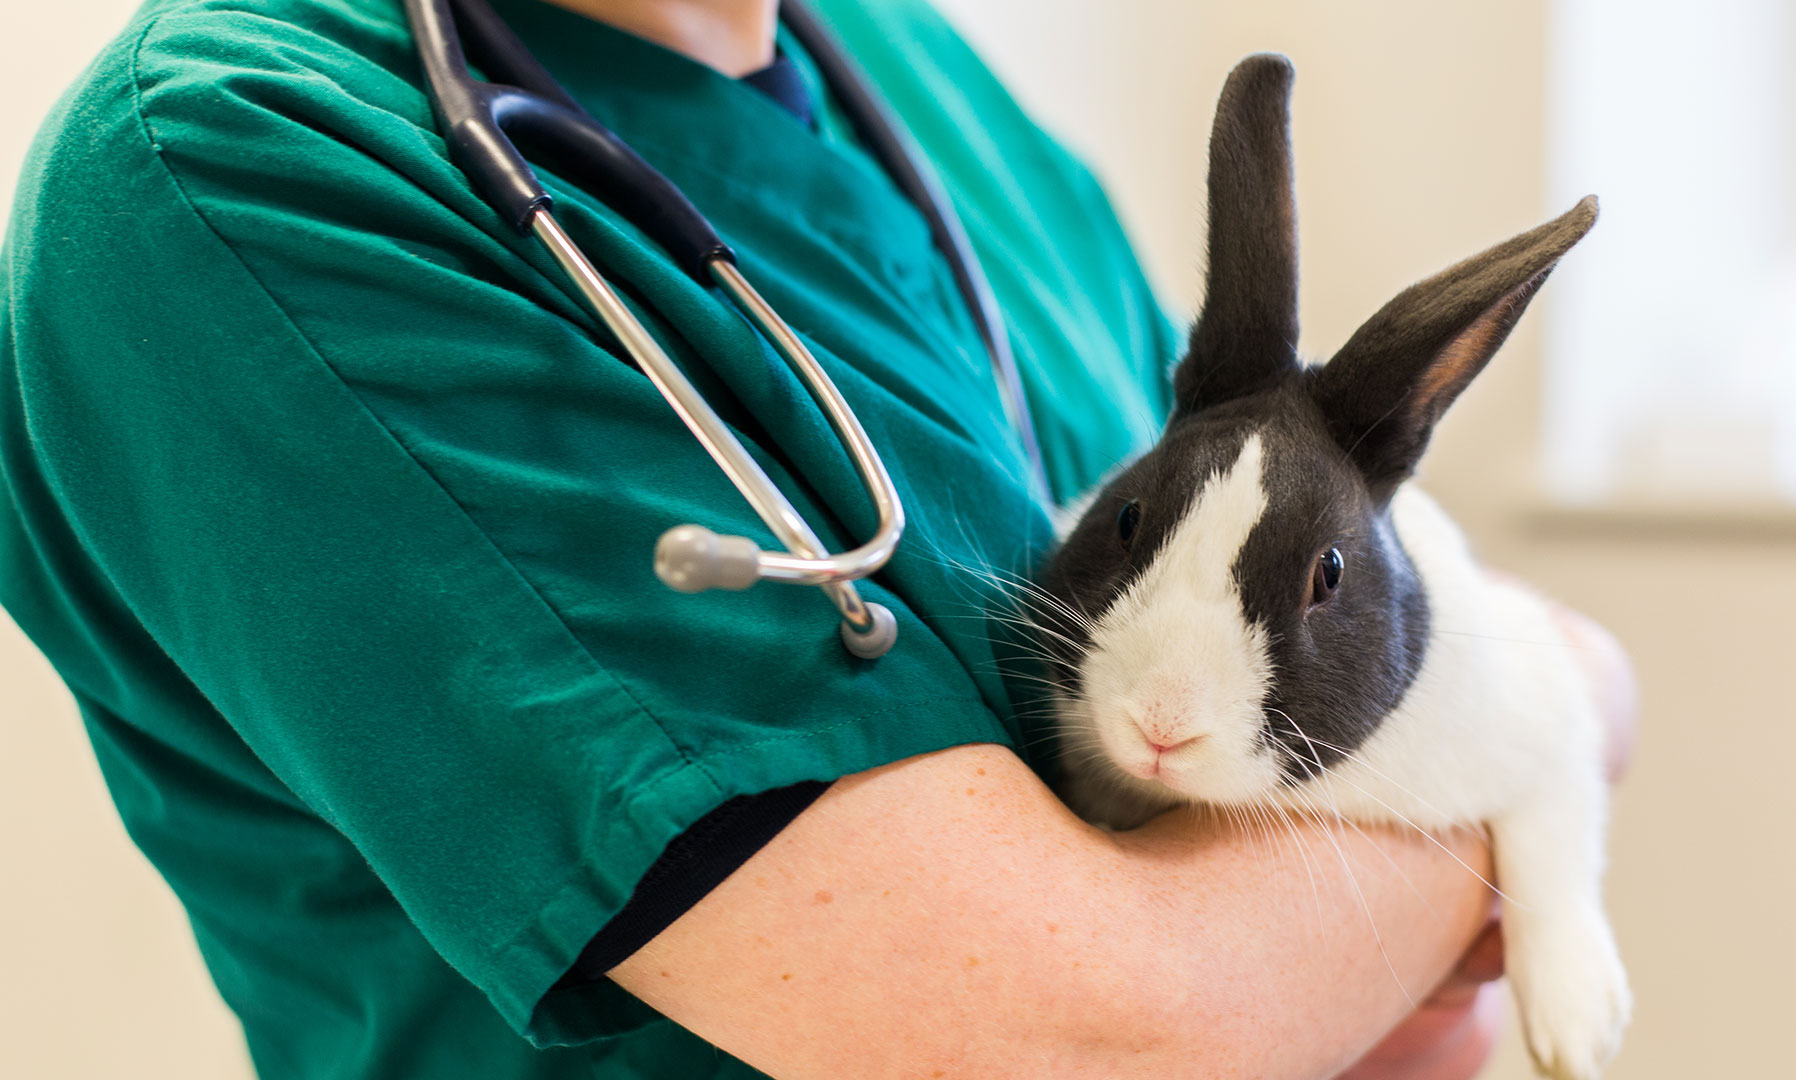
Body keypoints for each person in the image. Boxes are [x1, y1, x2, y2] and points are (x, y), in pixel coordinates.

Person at [0, 0, 1635, 1077]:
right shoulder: (241, 166)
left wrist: (1342, 947)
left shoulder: (921, 81)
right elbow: (1078, 1035)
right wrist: (1545, 721)